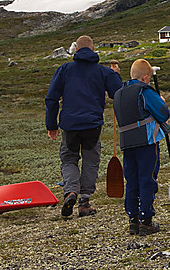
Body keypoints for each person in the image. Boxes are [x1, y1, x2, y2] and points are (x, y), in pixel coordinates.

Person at [45, 35, 122, 218]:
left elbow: (51, 98)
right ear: (93, 49)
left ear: (76, 50)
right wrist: (116, 75)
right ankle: (84, 202)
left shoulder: (64, 70)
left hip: (69, 125)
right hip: (92, 124)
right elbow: (118, 94)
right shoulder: (103, 71)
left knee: (69, 158)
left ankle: (70, 191)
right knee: (90, 160)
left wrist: (52, 125)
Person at [114, 59, 170, 235]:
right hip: (146, 141)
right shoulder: (144, 91)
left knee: (132, 180)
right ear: (146, 77)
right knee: (147, 179)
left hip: (127, 143)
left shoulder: (119, 93)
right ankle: (146, 219)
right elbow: (163, 113)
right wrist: (160, 100)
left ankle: (133, 219)